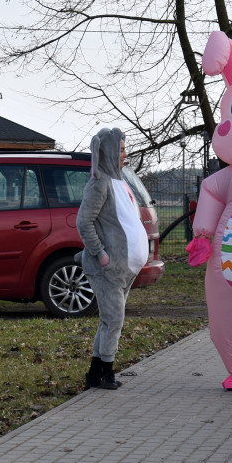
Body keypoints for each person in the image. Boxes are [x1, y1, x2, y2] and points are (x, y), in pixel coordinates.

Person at [76, 128, 149, 390]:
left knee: (108, 321)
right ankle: (105, 373)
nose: (124, 154)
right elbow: (84, 222)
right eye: (120, 150)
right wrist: (101, 253)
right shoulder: (99, 183)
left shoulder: (121, 182)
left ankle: (95, 375)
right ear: (106, 151)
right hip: (107, 269)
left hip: (124, 269)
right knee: (114, 321)